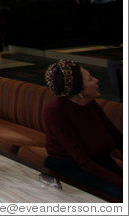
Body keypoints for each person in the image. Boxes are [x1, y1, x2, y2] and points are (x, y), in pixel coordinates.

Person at [43, 59, 122, 200]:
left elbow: (118, 138)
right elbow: (82, 160)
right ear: (79, 90)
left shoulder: (90, 104)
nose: (97, 80)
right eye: (90, 79)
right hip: (72, 169)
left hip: (101, 163)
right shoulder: (55, 111)